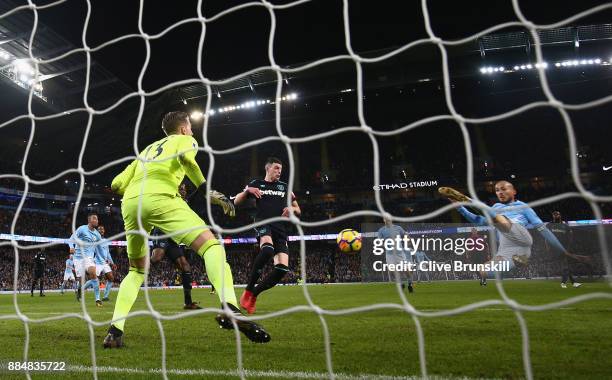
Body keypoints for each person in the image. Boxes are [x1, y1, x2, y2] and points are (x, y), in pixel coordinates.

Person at [103, 111, 269, 348]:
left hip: (130, 204)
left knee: (136, 272)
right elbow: (187, 161)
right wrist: (207, 192)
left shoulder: (145, 152)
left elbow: (116, 184)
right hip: (161, 198)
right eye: (191, 127)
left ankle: (114, 332)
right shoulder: (186, 141)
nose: (192, 131)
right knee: (211, 246)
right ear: (183, 129)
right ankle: (230, 307)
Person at [439, 183, 589, 281]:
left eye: (504, 189)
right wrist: (459, 208)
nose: (500, 192)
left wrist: (565, 252)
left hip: (520, 237)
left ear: (514, 191)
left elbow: (542, 229)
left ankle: (466, 199)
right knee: (483, 271)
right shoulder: (496, 208)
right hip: (508, 249)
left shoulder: (523, 207)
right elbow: (478, 220)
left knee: (500, 219)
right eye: (497, 190)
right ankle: (521, 261)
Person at [234, 157, 301, 314]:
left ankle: (254, 294)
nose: (279, 171)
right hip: (263, 222)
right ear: (268, 168)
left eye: (281, 169)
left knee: (282, 269)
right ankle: (248, 290)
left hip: (280, 229)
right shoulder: (256, 184)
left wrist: (292, 210)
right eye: (276, 168)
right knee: (267, 250)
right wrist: (247, 191)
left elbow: (298, 210)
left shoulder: (285, 187)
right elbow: (237, 202)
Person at [73, 213, 104, 307]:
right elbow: (72, 237)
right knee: (81, 279)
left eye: (97, 219)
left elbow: (99, 249)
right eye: (94, 219)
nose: (97, 221)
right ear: (89, 220)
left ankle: (98, 299)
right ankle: (80, 290)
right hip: (78, 258)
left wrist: (104, 259)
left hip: (89, 258)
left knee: (93, 274)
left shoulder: (97, 235)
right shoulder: (82, 229)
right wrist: (71, 247)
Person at [376, 217, 413, 292]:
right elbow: (380, 241)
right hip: (389, 254)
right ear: (384, 220)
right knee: (392, 271)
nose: (387, 220)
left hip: (400, 253)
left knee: (406, 270)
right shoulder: (381, 230)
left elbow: (406, 235)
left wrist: (408, 239)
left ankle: (410, 284)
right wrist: (383, 245)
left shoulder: (398, 228)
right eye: (385, 219)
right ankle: (401, 283)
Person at [547, 211, 581, 289]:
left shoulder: (565, 225)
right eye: (554, 214)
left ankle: (572, 283)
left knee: (566, 266)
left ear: (560, 215)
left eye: (557, 214)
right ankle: (566, 283)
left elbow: (570, 235)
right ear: (553, 216)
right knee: (565, 266)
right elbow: (546, 236)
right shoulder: (549, 225)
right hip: (554, 248)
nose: (556, 216)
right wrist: (547, 246)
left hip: (563, 249)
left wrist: (568, 247)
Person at [96, 225, 117, 301]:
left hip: (105, 263)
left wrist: (112, 263)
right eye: (99, 229)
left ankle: (105, 297)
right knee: (94, 279)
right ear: (97, 231)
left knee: (111, 278)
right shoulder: (94, 240)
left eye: (102, 229)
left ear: (104, 231)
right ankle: (81, 289)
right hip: (97, 262)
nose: (101, 230)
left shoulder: (106, 241)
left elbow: (108, 253)